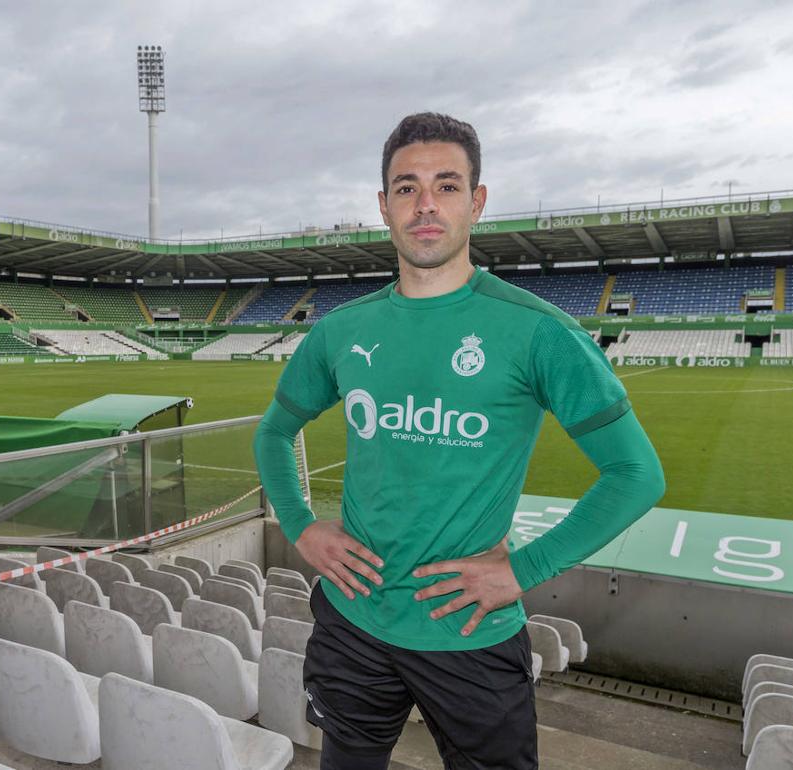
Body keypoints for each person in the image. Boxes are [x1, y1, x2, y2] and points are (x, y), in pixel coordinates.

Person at [252, 112, 666, 770]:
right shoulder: (341, 330)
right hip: (353, 623)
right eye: (406, 187)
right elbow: (275, 431)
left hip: (470, 630)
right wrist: (302, 526)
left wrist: (522, 571)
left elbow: (636, 474)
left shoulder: (538, 332)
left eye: (446, 186)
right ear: (383, 206)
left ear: (476, 202)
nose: (424, 204)